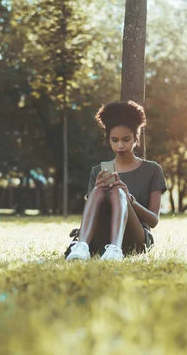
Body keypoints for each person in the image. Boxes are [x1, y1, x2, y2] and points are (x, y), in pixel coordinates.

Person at [66, 100, 167, 261]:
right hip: (101, 237)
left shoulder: (152, 170)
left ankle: (115, 249)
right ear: (109, 140)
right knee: (98, 190)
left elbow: (153, 221)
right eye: (115, 140)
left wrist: (129, 199)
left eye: (126, 140)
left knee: (119, 191)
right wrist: (94, 193)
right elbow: (91, 216)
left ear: (136, 138)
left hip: (135, 238)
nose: (120, 146)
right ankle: (82, 246)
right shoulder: (97, 171)